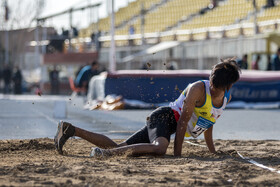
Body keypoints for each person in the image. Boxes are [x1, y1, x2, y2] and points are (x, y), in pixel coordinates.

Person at [55, 58, 241, 157]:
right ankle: (105, 154)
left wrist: (212, 151)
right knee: (160, 148)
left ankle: (71, 130)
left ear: (228, 87)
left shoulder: (226, 97)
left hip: (166, 126)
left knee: (120, 147)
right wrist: (177, 156)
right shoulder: (198, 89)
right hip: (164, 118)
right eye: (210, 82)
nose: (211, 86)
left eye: (215, 86)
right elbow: (182, 122)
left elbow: (208, 122)